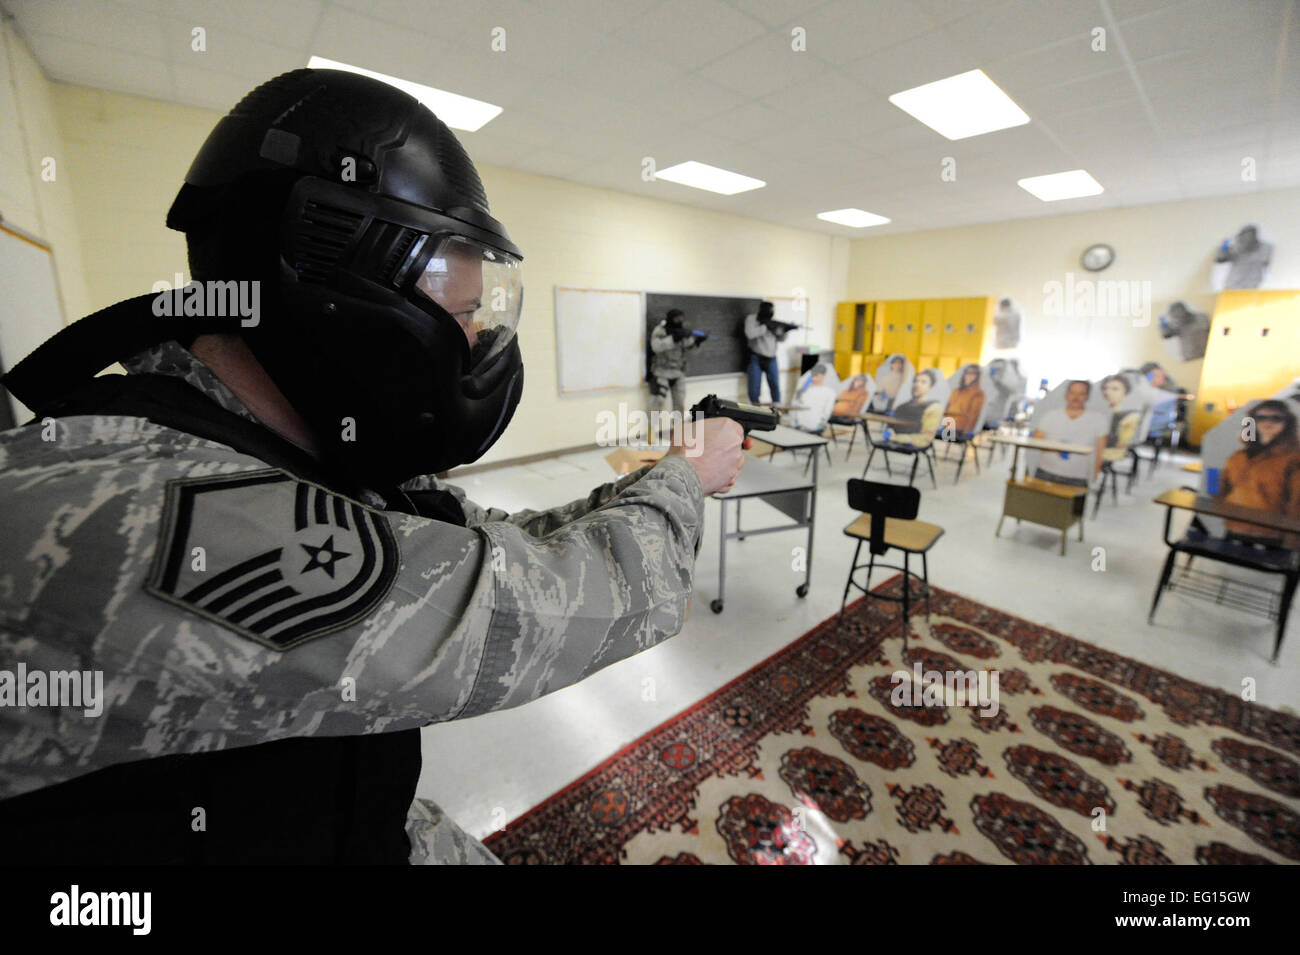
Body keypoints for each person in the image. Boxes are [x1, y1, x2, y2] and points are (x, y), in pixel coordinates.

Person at [0, 68, 747, 865]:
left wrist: (647, 480)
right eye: (461, 319)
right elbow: (529, 612)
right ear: (348, 313)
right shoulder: (161, 515)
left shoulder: (274, 445)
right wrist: (684, 478)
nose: (475, 345)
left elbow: (476, 543)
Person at [1217, 400, 1300, 549]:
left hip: (1270, 534)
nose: (1268, 423)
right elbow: (1219, 488)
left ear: (1287, 423)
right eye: (1261, 418)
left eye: (1276, 418)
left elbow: (1297, 503)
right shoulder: (1238, 457)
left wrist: (1292, 543)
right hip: (1232, 526)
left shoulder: (1293, 460)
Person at [1031, 380, 1108, 487]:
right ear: (1067, 394)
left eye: (1081, 393)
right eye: (1072, 392)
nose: (1076, 397)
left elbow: (1100, 451)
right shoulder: (1050, 416)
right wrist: (1058, 449)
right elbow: (1035, 441)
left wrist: (1096, 476)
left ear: (1087, 396)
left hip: (1078, 478)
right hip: (1045, 473)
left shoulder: (1099, 419)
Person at [648, 308, 705, 438]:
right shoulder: (660, 330)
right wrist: (673, 338)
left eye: (681, 318)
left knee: (679, 404)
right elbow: (656, 347)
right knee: (656, 403)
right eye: (677, 318)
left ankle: (678, 433)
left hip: (678, 373)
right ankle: (651, 432)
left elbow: (690, 347)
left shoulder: (683, 330)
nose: (680, 321)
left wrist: (697, 342)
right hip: (661, 372)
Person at [888, 369, 944, 446]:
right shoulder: (901, 407)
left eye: (923, 382)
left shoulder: (934, 408)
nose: (917, 384)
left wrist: (896, 437)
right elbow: (891, 427)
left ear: (930, 387)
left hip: (913, 444)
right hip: (895, 440)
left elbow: (926, 438)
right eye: (915, 381)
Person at [744, 301, 781, 404]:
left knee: (775, 384)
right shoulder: (751, 319)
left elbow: (781, 339)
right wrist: (765, 327)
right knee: (754, 388)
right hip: (756, 357)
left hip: (772, 358)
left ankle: (777, 410)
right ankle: (756, 411)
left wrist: (782, 332)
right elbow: (750, 334)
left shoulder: (773, 321)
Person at [1215, 224, 1273, 290]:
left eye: (1250, 236)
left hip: (1252, 287)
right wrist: (1224, 247)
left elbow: (1266, 262)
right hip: (1232, 286)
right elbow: (1220, 259)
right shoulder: (1235, 247)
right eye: (1244, 236)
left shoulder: (1265, 247)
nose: (1247, 239)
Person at [786, 363, 836, 433]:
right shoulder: (804, 390)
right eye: (812, 376)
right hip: (798, 425)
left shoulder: (829, 392)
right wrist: (803, 388)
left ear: (822, 376)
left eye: (816, 376)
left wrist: (819, 424)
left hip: (814, 426)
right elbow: (794, 406)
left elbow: (826, 413)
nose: (813, 378)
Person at [1100, 374, 1142, 449]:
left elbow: (1121, 444)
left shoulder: (1129, 417)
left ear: (1125, 393)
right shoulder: (1100, 413)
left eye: (1115, 389)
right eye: (1105, 388)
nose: (1108, 392)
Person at [945, 364, 986, 436]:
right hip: (946, 426)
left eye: (973, 373)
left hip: (960, 430)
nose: (969, 376)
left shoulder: (978, 393)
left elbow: (974, 415)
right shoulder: (956, 391)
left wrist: (966, 432)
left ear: (977, 376)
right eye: (967, 373)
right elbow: (947, 409)